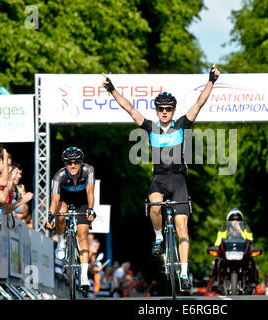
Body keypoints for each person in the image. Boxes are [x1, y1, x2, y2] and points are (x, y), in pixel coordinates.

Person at [102, 63, 221, 289]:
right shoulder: (150, 127)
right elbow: (129, 108)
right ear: (156, 111)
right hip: (159, 179)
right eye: (160, 109)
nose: (164, 112)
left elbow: (200, 102)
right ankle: (158, 237)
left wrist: (211, 81)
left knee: (182, 229)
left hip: (178, 181)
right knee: (154, 206)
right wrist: (112, 89)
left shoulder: (182, 124)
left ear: (173, 111)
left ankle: (184, 274)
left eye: (168, 109)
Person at [45, 146, 96, 290]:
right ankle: (61, 241)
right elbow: (54, 200)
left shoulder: (89, 170)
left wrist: (91, 209)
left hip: (83, 202)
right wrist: (50, 217)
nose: (72, 165)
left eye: (76, 162)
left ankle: (84, 276)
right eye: (68, 162)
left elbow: (90, 191)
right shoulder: (59, 176)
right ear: (64, 164)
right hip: (65, 200)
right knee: (60, 211)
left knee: (83, 236)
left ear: (82, 162)